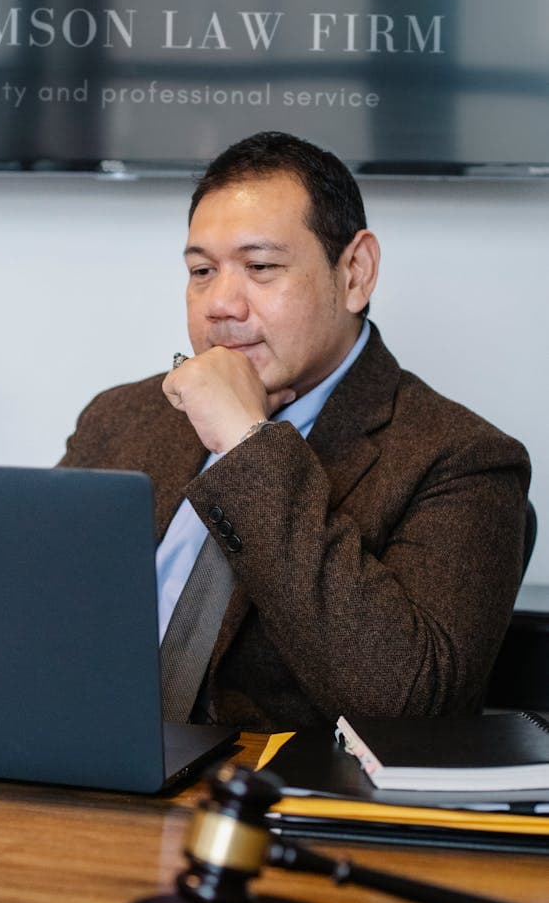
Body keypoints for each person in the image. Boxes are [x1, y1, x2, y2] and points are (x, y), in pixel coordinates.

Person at [60, 132, 531, 729]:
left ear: (355, 274)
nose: (220, 305)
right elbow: (28, 613)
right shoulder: (121, 416)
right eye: (202, 270)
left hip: (270, 804)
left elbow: (408, 709)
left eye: (260, 267)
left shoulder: (464, 460)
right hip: (75, 773)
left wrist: (246, 444)